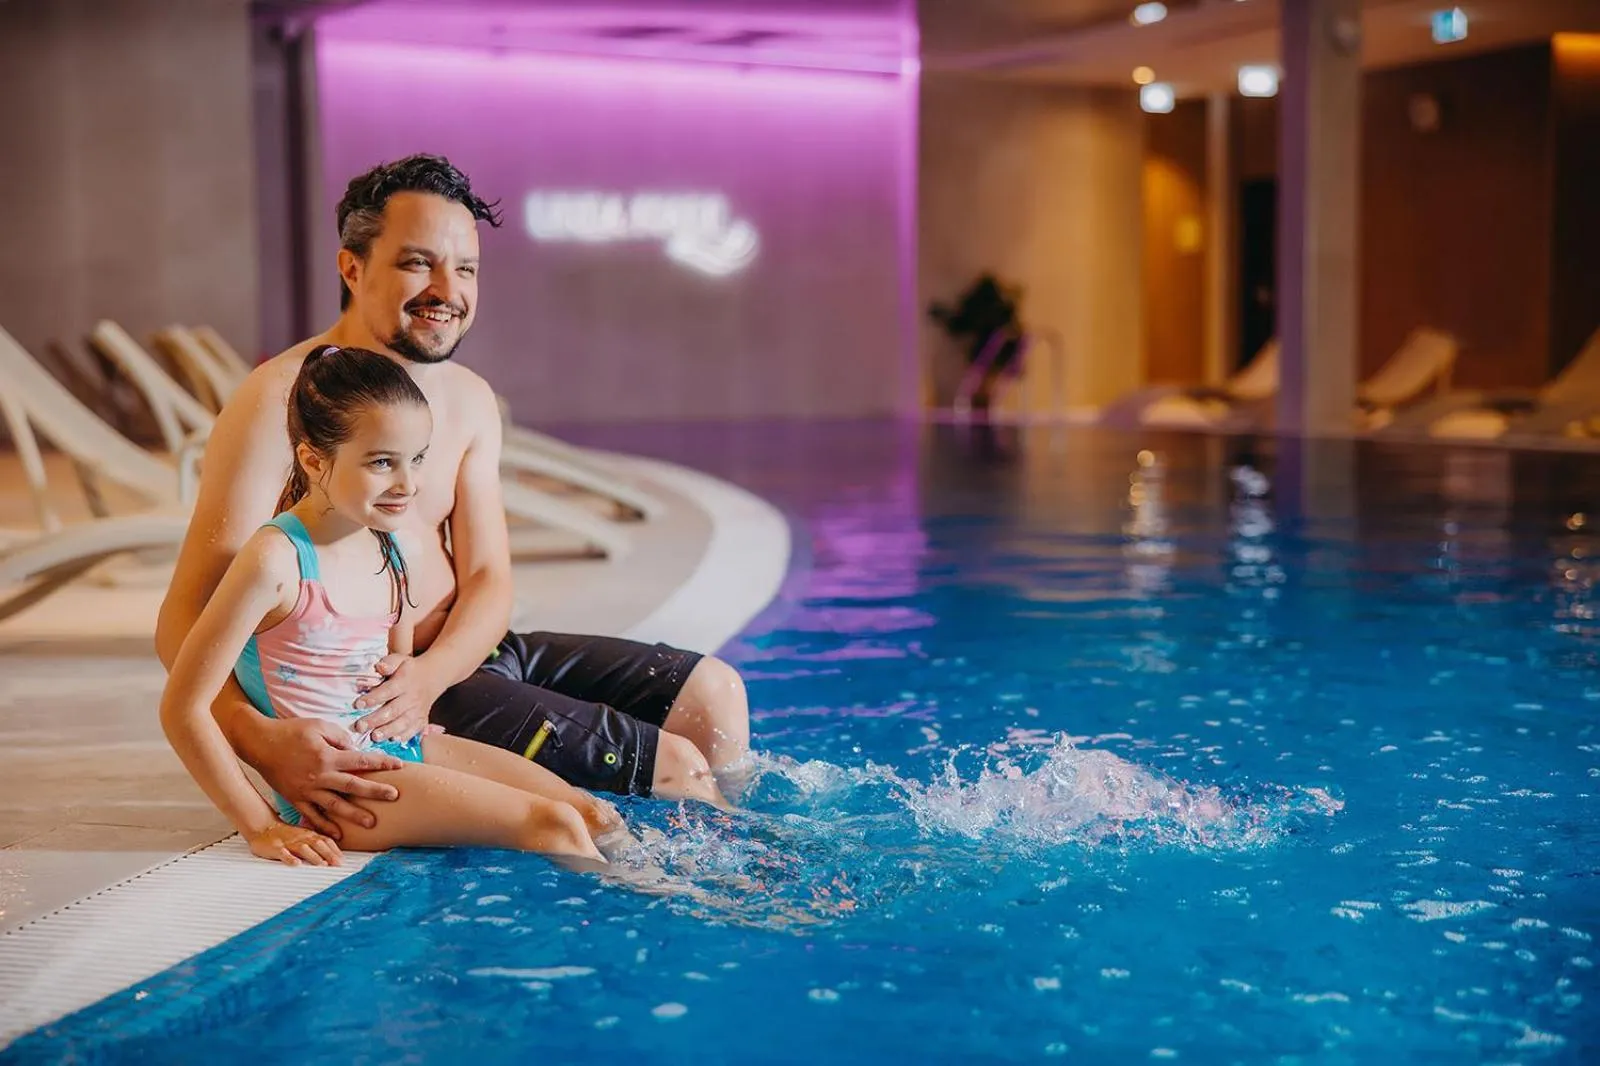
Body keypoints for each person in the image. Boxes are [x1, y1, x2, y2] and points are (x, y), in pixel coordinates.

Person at [154, 154, 747, 841]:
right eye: (417, 263)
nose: (447, 289)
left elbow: (491, 577)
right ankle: (735, 892)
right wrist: (257, 740)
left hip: (460, 659)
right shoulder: (280, 403)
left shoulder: (467, 399)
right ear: (352, 268)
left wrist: (433, 672)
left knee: (714, 693)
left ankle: (739, 838)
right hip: (390, 693)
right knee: (672, 763)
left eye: (465, 269)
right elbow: (187, 612)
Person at [162, 346, 620, 866]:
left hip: (403, 749)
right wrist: (260, 825)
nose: (409, 485)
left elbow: (394, 667)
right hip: (342, 789)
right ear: (314, 460)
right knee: (554, 825)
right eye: (383, 462)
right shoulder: (276, 560)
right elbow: (183, 708)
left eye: (418, 458)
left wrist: (413, 707)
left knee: (592, 814)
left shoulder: (392, 543)